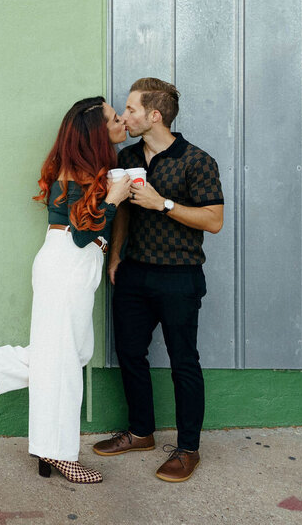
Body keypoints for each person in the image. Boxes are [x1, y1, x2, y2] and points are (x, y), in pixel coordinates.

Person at [0, 96, 129, 484]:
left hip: (72, 266)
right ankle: (61, 454)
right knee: (66, 363)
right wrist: (114, 201)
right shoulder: (79, 176)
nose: (120, 119)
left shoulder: (84, 170)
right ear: (96, 132)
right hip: (67, 264)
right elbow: (82, 234)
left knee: (73, 353)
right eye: (112, 118)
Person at [93, 77, 223, 483]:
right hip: (133, 272)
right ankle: (140, 432)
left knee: (184, 362)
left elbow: (214, 220)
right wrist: (115, 257)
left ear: (154, 115)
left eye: (130, 109)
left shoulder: (197, 160)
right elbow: (125, 212)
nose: (124, 115)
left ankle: (188, 450)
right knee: (130, 354)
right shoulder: (129, 154)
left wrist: (162, 203)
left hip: (179, 275)